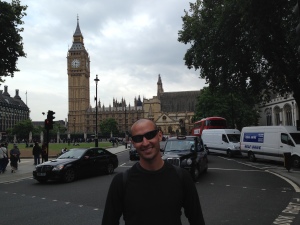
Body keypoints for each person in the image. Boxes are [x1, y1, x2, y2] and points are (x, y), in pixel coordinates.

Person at [102, 119, 205, 225]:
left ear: (159, 135)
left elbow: (197, 220)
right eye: (138, 138)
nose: (145, 143)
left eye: (150, 135)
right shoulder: (121, 182)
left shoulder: (182, 177)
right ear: (133, 143)